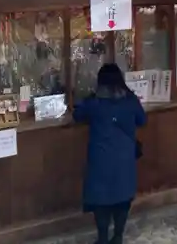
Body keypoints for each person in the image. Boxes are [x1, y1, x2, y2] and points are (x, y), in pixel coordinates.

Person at [74, 63, 146, 244]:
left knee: (101, 201)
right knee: (122, 199)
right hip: (124, 158)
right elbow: (142, 120)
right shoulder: (130, 100)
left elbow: (77, 115)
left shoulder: (94, 103)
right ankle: (118, 237)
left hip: (101, 159)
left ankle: (103, 238)